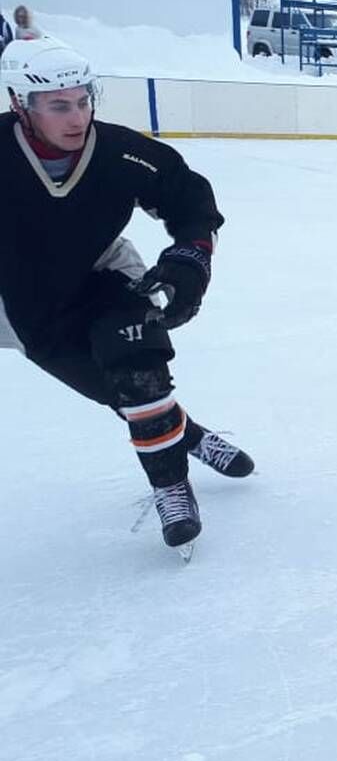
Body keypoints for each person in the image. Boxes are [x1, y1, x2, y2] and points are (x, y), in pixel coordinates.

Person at [0, 37, 253, 554]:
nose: (78, 117)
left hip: (103, 277)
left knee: (139, 370)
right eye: (59, 106)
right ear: (19, 105)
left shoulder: (120, 152)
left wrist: (190, 261)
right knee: (121, 395)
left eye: (84, 100)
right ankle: (190, 433)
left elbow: (190, 200)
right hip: (24, 306)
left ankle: (172, 488)